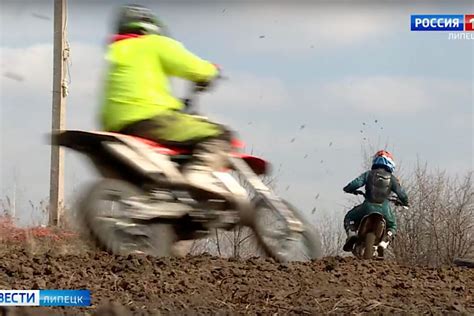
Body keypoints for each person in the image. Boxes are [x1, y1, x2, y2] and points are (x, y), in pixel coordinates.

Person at [99, 4, 233, 200]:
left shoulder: (115, 52)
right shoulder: (153, 43)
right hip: (150, 117)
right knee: (220, 134)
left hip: (116, 127)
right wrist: (211, 71)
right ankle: (199, 174)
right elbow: (191, 66)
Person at [342, 150, 409, 256]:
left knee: (349, 217)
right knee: (393, 226)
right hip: (385, 209)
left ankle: (352, 234)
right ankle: (384, 243)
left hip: (367, 207)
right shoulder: (393, 179)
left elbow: (355, 184)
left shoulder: (368, 174)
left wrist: (348, 189)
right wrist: (405, 203)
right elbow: (402, 194)